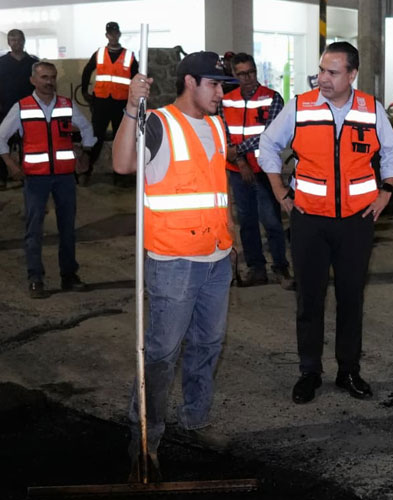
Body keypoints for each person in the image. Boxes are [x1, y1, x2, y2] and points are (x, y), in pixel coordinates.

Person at [112, 51, 236, 480]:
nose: (221, 94)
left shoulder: (216, 126)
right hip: (174, 264)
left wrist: (231, 238)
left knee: (208, 344)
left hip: (217, 258)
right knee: (162, 355)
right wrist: (132, 106)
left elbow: (218, 189)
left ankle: (196, 417)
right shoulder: (158, 123)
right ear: (189, 82)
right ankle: (145, 440)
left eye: (222, 86)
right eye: (214, 85)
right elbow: (122, 164)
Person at [259, 41, 393, 404]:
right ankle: (309, 372)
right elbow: (268, 145)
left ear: (352, 75)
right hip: (309, 220)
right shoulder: (300, 106)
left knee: (351, 298)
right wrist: (280, 192)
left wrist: (386, 190)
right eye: (321, 70)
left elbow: (391, 150)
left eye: (333, 72)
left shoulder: (371, 109)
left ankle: (348, 370)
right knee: (309, 299)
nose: (323, 78)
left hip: (356, 221)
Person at [0, 61, 96, 298]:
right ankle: (35, 279)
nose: (49, 82)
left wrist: (85, 154)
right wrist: (11, 165)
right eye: (44, 77)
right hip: (35, 179)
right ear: (33, 80)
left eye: (52, 77)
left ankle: (69, 276)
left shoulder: (66, 105)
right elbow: (0, 137)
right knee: (34, 230)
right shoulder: (22, 107)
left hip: (64, 177)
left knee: (67, 229)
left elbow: (87, 129)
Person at [221, 52, 294, 289]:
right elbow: (224, 133)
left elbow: (269, 135)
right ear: (234, 74)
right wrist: (241, 162)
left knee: (271, 221)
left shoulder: (272, 99)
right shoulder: (226, 100)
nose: (248, 78)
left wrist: (237, 150)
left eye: (251, 72)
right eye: (242, 74)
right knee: (247, 221)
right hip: (237, 170)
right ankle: (257, 269)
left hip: (265, 170)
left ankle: (281, 267)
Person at [81, 21, 138, 186]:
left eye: (115, 33)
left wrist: (134, 99)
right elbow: (87, 71)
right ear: (107, 35)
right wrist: (84, 91)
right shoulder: (99, 53)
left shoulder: (129, 55)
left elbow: (136, 76)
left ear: (119, 34)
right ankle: (87, 171)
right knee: (96, 137)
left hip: (121, 103)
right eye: (110, 33)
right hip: (101, 102)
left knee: (121, 139)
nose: (113, 36)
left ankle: (120, 175)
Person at [0, 29, 39, 190]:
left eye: (19, 39)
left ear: (24, 41)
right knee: (3, 141)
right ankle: (2, 177)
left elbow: (39, 86)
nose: (16, 43)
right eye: (13, 40)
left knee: (29, 143)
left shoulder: (33, 63)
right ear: (9, 42)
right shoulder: (2, 62)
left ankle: (28, 176)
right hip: (5, 108)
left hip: (29, 108)